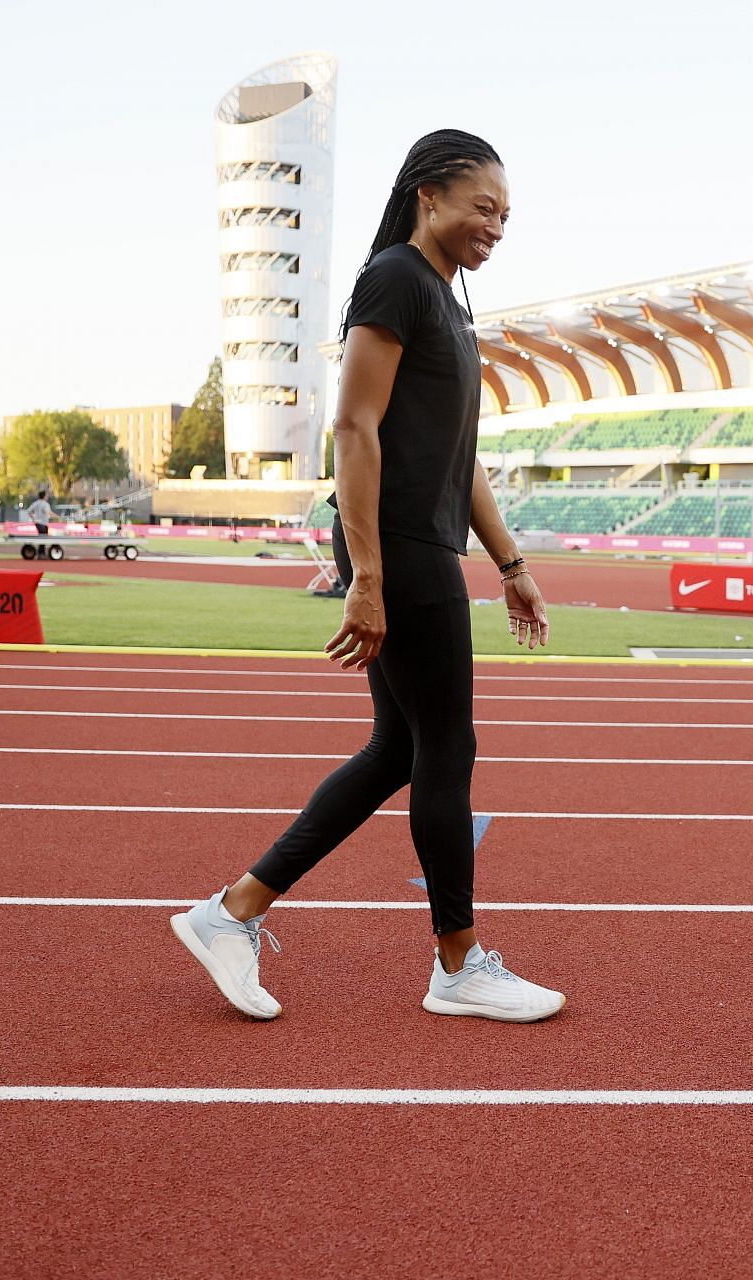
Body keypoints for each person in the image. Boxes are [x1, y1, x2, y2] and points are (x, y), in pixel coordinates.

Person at [170, 129, 563, 1024]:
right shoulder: (395, 277)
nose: (495, 226)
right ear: (430, 194)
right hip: (400, 547)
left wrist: (512, 565)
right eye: (483, 206)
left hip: (427, 543)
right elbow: (353, 427)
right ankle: (458, 964)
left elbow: (460, 463)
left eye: (506, 214)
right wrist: (368, 574)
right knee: (447, 748)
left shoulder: (448, 301)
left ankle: (232, 913)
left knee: (400, 748)